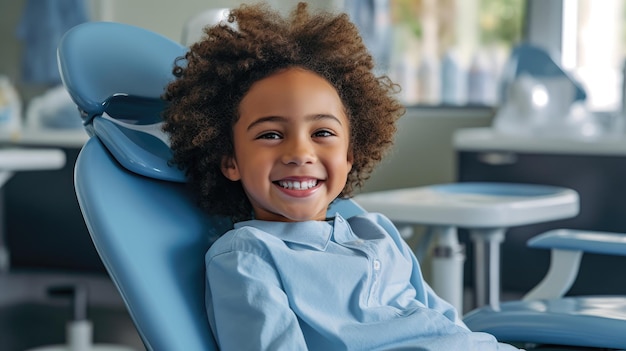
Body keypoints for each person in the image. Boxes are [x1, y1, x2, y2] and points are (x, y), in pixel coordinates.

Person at [162, 2, 522, 350]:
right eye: (270, 135)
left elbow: (446, 322)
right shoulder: (249, 257)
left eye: (322, 133)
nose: (300, 154)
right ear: (230, 161)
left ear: (350, 155)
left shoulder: (376, 230)